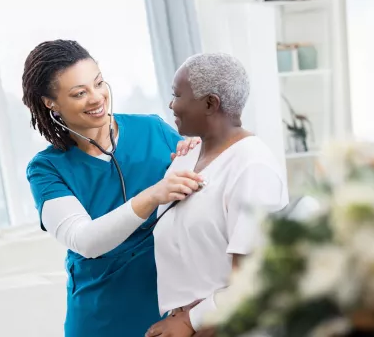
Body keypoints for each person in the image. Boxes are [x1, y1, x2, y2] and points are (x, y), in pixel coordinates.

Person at [22, 39, 203, 337]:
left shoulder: (152, 130)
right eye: (79, 93)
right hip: (104, 317)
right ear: (50, 102)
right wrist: (154, 193)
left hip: (175, 309)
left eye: (98, 83)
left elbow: (205, 194)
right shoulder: (46, 169)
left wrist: (198, 154)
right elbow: (85, 241)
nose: (96, 98)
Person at [146, 53, 289, 337]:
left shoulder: (253, 167)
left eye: (177, 95)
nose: (171, 104)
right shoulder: (185, 158)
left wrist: (190, 322)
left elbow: (255, 281)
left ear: (210, 103)